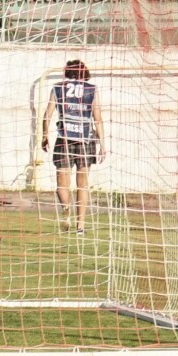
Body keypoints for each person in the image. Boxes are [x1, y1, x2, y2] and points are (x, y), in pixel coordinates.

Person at [41, 59, 104, 235]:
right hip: (86, 140)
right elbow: (97, 118)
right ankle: (80, 226)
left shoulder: (58, 88)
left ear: (67, 72)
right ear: (85, 73)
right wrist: (103, 144)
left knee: (62, 182)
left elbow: (47, 115)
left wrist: (45, 136)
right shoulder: (92, 90)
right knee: (82, 184)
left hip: (64, 139)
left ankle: (65, 210)